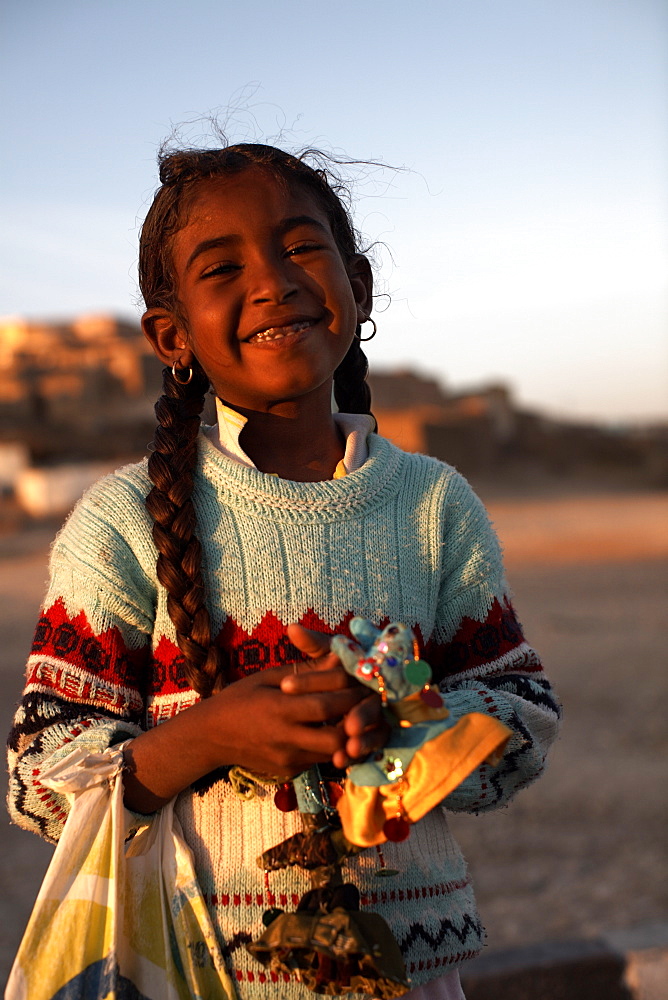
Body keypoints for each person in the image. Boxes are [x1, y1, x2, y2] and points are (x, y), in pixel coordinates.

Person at [7, 143, 561, 1000]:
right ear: (171, 335)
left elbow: (522, 714)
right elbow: (41, 777)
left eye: (302, 247)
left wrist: (410, 728)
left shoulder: (433, 505)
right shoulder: (120, 523)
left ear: (359, 287)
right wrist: (211, 734)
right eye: (222, 267)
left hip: (410, 973)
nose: (271, 282)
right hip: (193, 972)